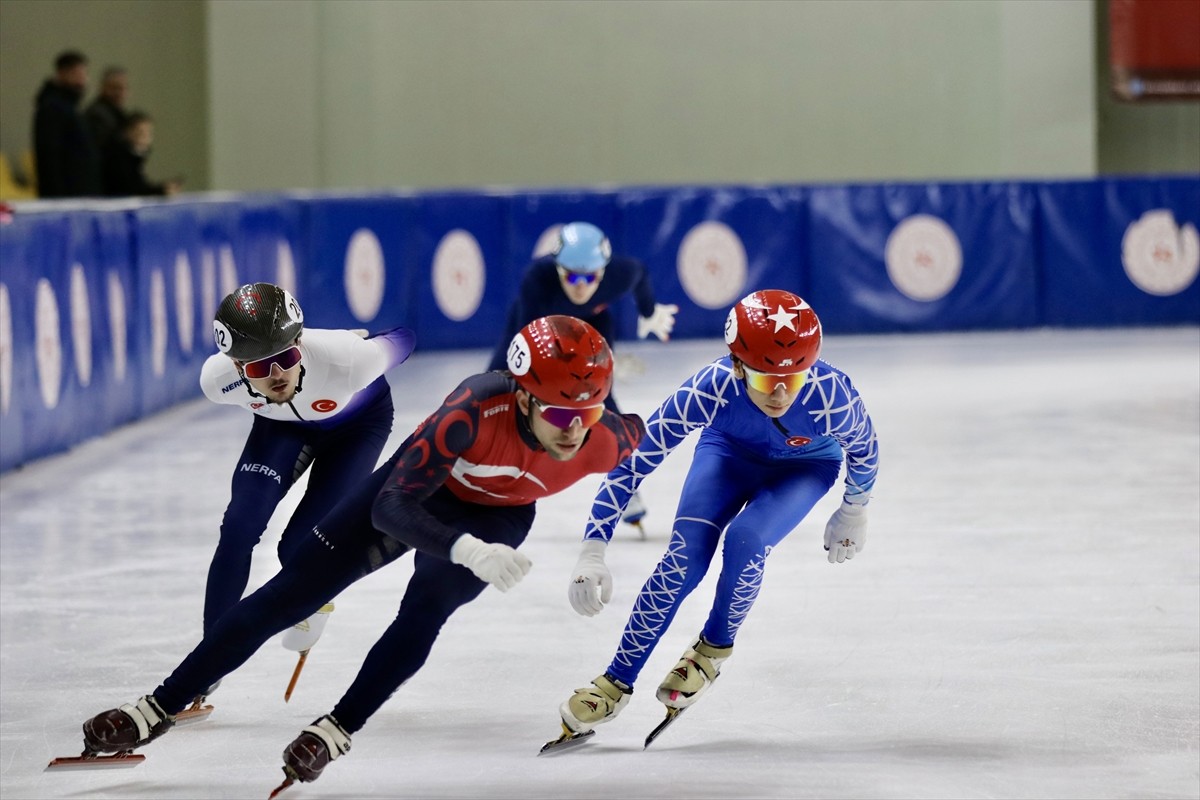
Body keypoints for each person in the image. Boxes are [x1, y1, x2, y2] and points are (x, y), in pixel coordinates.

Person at [74, 315, 645, 791]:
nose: (573, 431)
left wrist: (594, 551)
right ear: (522, 395)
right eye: (560, 413)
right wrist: (464, 548)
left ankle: (334, 730)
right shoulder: (473, 408)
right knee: (287, 594)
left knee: (425, 611)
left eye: (588, 412)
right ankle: (158, 707)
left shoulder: (605, 438)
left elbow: (661, 429)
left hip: (498, 515)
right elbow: (390, 509)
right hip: (413, 493)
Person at [548, 289, 879, 748]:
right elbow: (633, 463)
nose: (781, 395)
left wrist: (854, 509)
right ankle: (615, 680)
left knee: (746, 540)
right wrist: (592, 549)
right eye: (766, 383)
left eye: (795, 379)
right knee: (684, 557)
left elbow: (865, 450)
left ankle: (710, 650)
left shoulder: (830, 393)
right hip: (727, 454)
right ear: (738, 367)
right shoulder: (711, 388)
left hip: (804, 468)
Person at [198, 282, 415, 696]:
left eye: (286, 357)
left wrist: (371, 340)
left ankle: (318, 596)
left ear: (300, 341)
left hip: (358, 426)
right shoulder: (217, 382)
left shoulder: (349, 359)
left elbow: (405, 337)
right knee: (239, 528)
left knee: (299, 550)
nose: (277, 374)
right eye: (259, 368)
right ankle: (210, 660)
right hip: (280, 430)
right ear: (237, 367)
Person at [486, 221, 678, 529]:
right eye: (572, 276)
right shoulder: (536, 280)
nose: (581, 285)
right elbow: (527, 345)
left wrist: (649, 311)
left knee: (602, 397)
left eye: (590, 277)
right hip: (538, 325)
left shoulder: (620, 274)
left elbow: (641, 273)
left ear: (603, 271)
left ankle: (626, 488)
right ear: (557, 269)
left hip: (594, 323)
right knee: (497, 384)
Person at [33, 50, 101, 198]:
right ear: (62, 73)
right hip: (67, 196)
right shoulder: (52, 108)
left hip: (82, 194)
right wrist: (58, 198)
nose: (83, 80)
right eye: (77, 74)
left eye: (85, 74)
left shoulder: (71, 108)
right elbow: (50, 156)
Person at [102, 111, 181, 197]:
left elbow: (140, 185)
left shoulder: (136, 158)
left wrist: (162, 189)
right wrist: (160, 191)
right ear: (127, 132)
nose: (145, 138)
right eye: (140, 132)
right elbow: (131, 189)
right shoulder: (118, 158)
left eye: (149, 133)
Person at [85, 66, 129, 154]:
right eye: (115, 88)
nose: (120, 93)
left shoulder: (117, 114)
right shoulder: (97, 116)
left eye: (123, 88)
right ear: (103, 87)